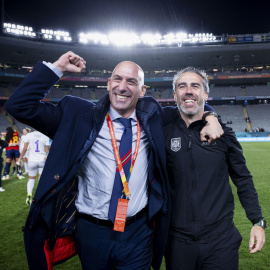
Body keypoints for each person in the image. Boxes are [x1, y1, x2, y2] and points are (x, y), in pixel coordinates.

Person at [5, 52, 222, 270]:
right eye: (117, 79)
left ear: (142, 90)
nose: (122, 86)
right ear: (108, 84)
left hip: (138, 232)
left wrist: (211, 117)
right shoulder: (78, 115)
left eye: (131, 81)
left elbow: (191, 106)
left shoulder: (154, 116)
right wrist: (57, 67)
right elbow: (19, 106)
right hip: (92, 232)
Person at [164, 67, 266, 270]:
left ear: (206, 94)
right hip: (177, 242)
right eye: (182, 86)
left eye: (195, 86)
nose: (189, 91)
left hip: (220, 240)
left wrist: (257, 221)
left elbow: (242, 178)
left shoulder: (224, 134)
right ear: (175, 95)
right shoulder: (162, 131)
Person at [17, 130, 50, 205]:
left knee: (31, 179)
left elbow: (25, 149)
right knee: (41, 179)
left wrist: (20, 158)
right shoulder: (45, 135)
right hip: (42, 160)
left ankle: (29, 194)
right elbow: (47, 150)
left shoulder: (29, 135)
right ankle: (41, 196)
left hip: (32, 160)